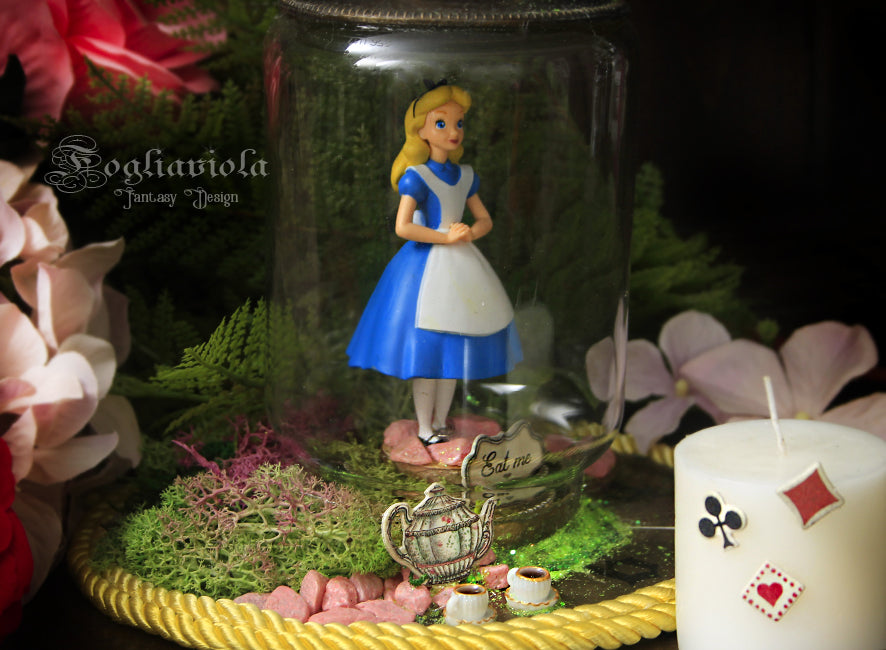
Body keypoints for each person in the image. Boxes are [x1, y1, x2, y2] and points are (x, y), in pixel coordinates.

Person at [347, 82, 521, 444]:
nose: (453, 131)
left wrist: (470, 233)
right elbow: (403, 226)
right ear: (421, 131)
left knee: (453, 351)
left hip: (463, 263)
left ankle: (441, 422)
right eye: (441, 123)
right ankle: (424, 427)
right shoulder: (417, 177)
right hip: (424, 267)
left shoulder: (466, 176)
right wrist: (446, 238)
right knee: (427, 352)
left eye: (459, 123)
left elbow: (484, 220)